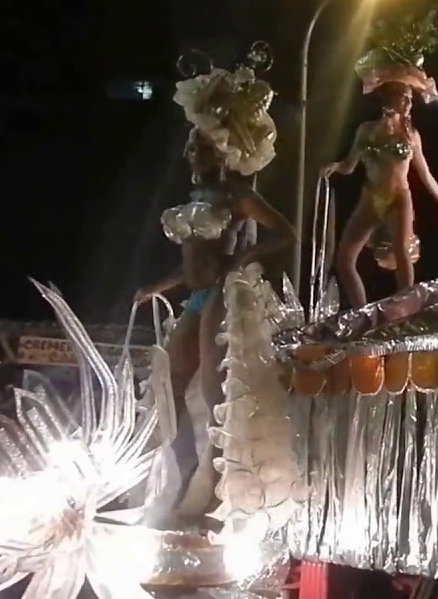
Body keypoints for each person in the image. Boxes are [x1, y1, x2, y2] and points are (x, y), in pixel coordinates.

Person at [135, 61, 295, 527]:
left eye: (202, 146)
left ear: (221, 151)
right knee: (170, 382)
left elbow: (287, 233)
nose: (193, 154)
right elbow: (187, 265)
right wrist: (155, 288)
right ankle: (182, 472)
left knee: (212, 388)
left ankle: (212, 488)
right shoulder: (194, 198)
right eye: (192, 146)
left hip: (222, 295)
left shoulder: (237, 196)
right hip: (196, 295)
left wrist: (241, 259)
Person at [325, 11, 438, 309]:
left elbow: (424, 173)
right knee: (345, 259)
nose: (409, 104)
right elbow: (349, 165)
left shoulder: (411, 135)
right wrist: (335, 167)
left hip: (399, 197)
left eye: (411, 99)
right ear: (390, 97)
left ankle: (403, 314)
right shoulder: (367, 130)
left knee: (402, 254)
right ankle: (361, 313)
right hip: (372, 196)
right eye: (404, 98)